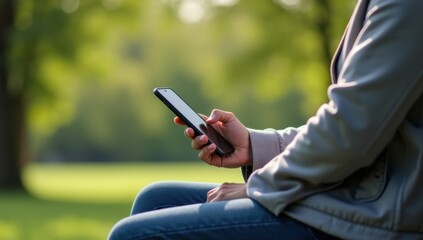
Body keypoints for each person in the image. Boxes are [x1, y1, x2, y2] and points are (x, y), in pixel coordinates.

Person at [108, 0, 423, 239]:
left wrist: (258, 187)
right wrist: (257, 146)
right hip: (366, 194)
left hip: (383, 215)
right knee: (158, 199)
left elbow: (352, 130)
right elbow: (359, 123)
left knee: (135, 236)